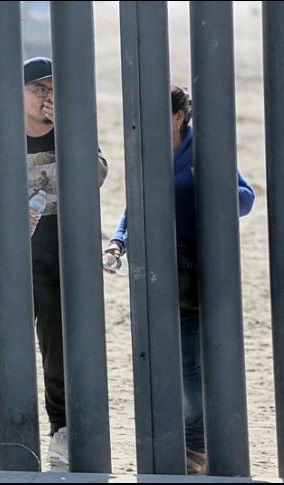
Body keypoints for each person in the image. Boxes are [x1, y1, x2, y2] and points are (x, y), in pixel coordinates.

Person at [104, 85, 255, 475]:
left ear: (177, 117)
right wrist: (118, 242)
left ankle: (197, 452)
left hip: (193, 274)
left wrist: (214, 187)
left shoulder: (205, 149)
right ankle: (168, 448)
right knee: (156, 362)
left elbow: (246, 197)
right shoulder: (147, 151)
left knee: (190, 369)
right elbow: (132, 205)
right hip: (152, 270)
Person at [0, 56, 108, 470]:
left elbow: (97, 174)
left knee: (58, 346)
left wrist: (68, 129)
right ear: (20, 94)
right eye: (39, 89)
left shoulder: (74, 132)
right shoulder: (1, 136)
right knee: (6, 347)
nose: (47, 96)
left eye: (52, 89)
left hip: (60, 259)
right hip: (13, 260)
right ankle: (6, 435)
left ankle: (61, 431)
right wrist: (3, 213)